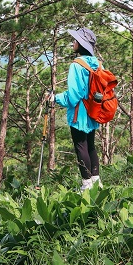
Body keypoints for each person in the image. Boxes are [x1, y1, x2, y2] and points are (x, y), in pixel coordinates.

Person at [50, 27, 102, 191]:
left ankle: (86, 185)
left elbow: (74, 95)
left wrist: (55, 98)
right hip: (93, 110)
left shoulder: (77, 65)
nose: (73, 42)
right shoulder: (98, 64)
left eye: (75, 40)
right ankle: (96, 182)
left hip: (79, 114)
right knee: (91, 145)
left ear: (81, 44)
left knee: (81, 146)